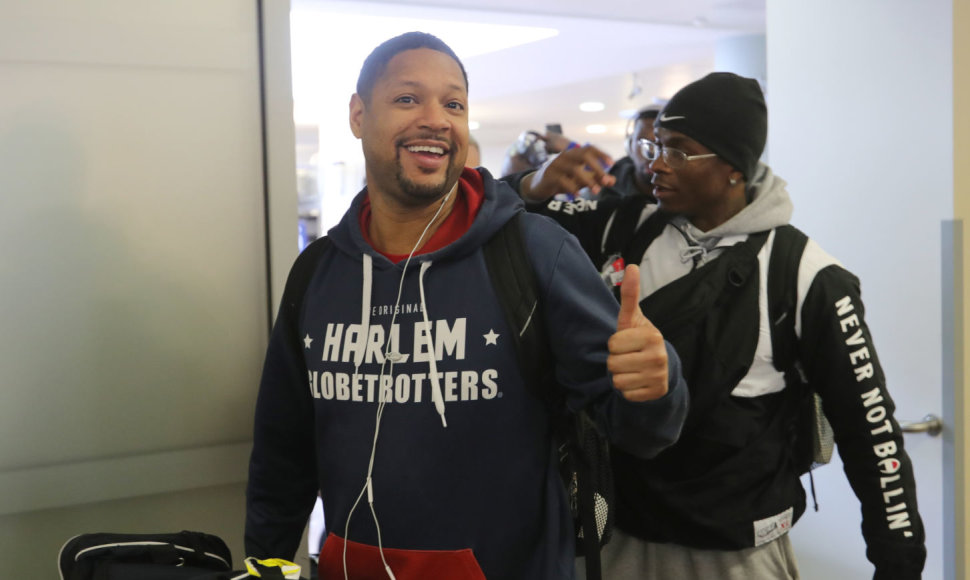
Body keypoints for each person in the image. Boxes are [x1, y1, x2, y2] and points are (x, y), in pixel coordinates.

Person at [244, 31, 689, 580]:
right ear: (359, 114)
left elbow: (639, 432)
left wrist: (655, 384)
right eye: (407, 99)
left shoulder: (533, 251)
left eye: (453, 103)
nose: (436, 119)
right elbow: (281, 456)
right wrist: (263, 564)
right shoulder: (319, 273)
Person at [511, 72, 926, 579]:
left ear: (733, 167)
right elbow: (506, 220)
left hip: (734, 556)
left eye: (679, 151)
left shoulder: (805, 276)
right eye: (655, 145)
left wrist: (898, 564)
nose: (655, 163)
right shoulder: (625, 225)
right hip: (613, 537)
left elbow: (872, 435)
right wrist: (532, 182)